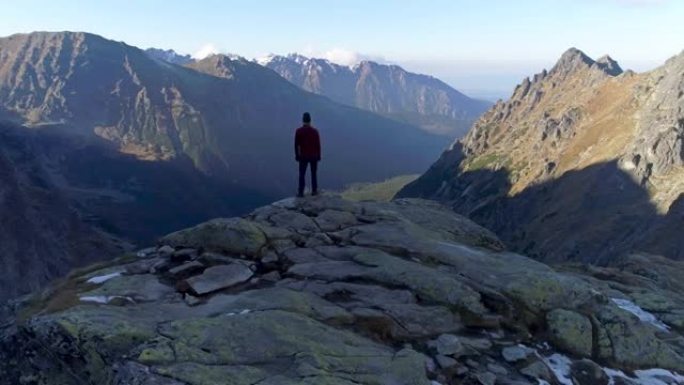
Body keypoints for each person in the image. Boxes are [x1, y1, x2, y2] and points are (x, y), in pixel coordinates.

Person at [294, 112, 321, 197]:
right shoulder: (315, 131)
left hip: (303, 156)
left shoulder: (299, 131)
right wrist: (319, 156)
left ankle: (301, 192)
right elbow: (318, 145)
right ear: (310, 120)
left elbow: (296, 145)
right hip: (314, 155)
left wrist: (297, 155)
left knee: (302, 174)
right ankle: (314, 191)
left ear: (303, 120)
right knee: (313, 174)